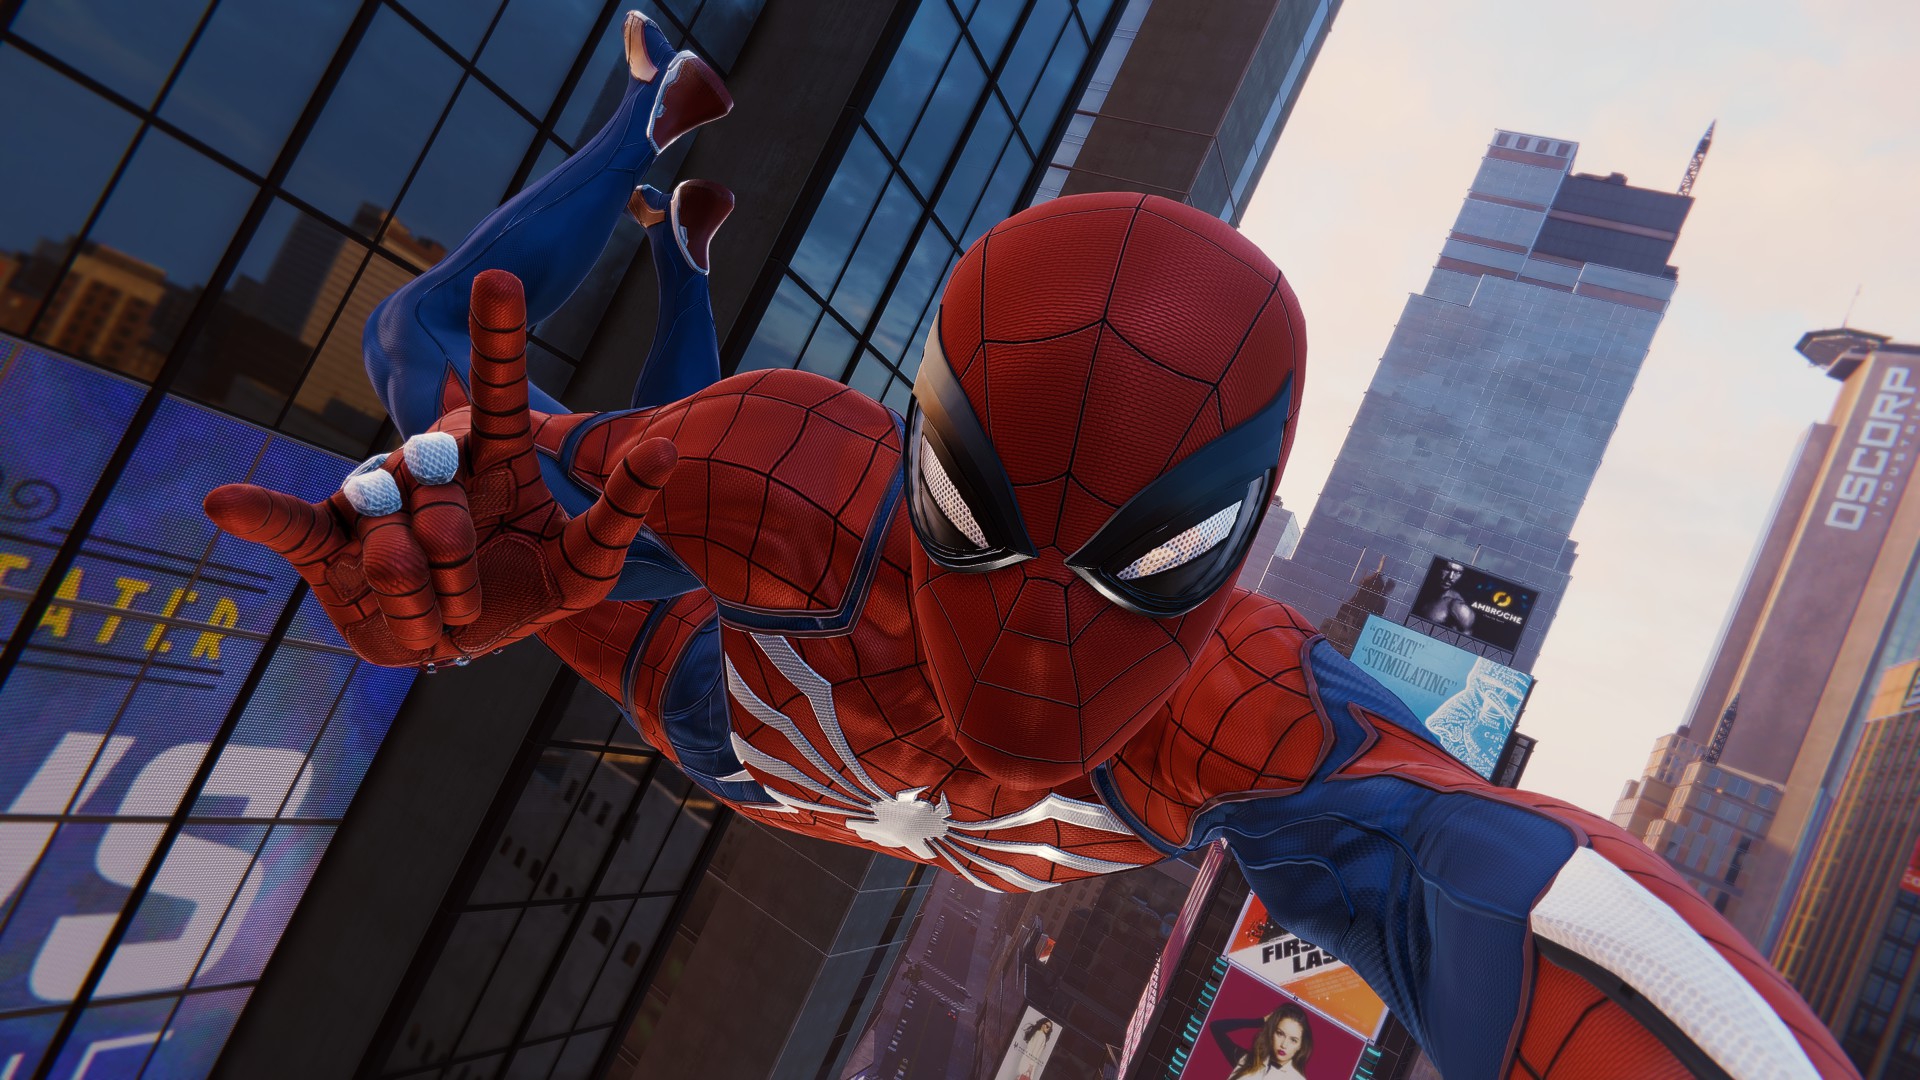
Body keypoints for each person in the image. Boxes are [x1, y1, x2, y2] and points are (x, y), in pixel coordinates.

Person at [201, 13, 1860, 1079]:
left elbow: (1500, 881)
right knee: (458, 375)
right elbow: (507, 475)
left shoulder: (1242, 705)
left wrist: (489, 563)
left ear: (1226, 548)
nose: (1038, 636)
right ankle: (655, 135)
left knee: (560, 424)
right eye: (984, 526)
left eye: (1140, 559)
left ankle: (673, 193)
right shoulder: (802, 478)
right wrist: (454, 583)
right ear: (929, 461)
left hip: (747, 713)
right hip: (740, 692)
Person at [1212, 1004, 1314, 1079]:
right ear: (1272, 1032)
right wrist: (1259, 1021)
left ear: (1301, 1046)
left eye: (1293, 1040)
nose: (1284, 1044)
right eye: (1280, 1034)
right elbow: (1216, 1027)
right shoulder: (1247, 1060)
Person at [1416, 560, 1475, 631]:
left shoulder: (1458, 606)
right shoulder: (1419, 587)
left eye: (1458, 572)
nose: (1450, 577)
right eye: (1447, 569)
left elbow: (1462, 636)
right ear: (1438, 568)